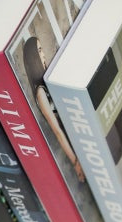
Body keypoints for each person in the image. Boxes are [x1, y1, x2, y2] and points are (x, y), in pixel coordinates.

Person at [21, 37, 84, 181]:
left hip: (75, 134)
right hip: (71, 143)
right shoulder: (40, 92)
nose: (43, 54)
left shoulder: (46, 83)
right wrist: (75, 162)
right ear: (34, 58)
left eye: (42, 50)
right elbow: (57, 131)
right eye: (39, 51)